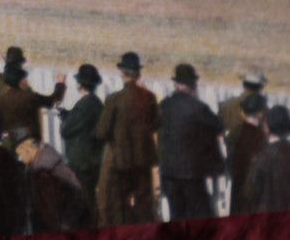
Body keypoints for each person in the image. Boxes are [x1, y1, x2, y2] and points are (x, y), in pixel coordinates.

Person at [93, 51, 159, 225]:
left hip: (121, 161)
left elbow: (101, 133)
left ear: (122, 73)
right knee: (145, 205)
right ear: (138, 73)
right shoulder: (149, 97)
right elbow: (157, 124)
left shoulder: (114, 99)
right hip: (144, 160)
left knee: (119, 205)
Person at [157, 63, 225, 220]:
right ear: (193, 84)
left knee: (176, 215)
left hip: (168, 173)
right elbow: (218, 126)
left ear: (176, 83)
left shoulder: (164, 105)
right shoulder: (197, 107)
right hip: (191, 174)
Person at [13, 127, 90, 233]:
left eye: (19, 154)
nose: (20, 158)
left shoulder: (44, 172)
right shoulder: (43, 163)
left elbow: (51, 210)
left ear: (27, 149)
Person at [57, 63, 105, 220]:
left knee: (84, 202)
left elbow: (66, 130)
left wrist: (66, 118)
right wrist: (69, 115)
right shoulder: (96, 103)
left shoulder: (84, 105)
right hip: (93, 160)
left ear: (80, 84)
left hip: (82, 163)